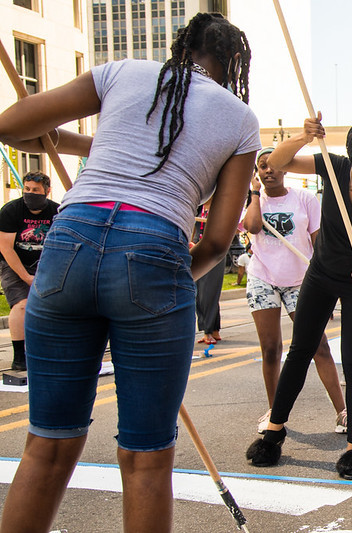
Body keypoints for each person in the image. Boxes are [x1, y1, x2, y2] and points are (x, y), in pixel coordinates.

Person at [0, 13, 259, 533]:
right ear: (234, 65)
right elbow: (216, 241)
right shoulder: (239, 118)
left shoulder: (123, 72)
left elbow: (11, 125)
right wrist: (168, 276)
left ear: (181, 48)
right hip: (156, 243)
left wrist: (71, 142)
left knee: (48, 442)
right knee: (146, 455)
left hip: (69, 237)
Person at [245, 115, 352, 480]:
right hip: (319, 276)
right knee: (300, 351)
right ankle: (274, 429)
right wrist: (304, 136)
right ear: (351, 152)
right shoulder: (333, 168)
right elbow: (275, 163)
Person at [242, 146, 347, 435]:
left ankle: (342, 411)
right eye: (261, 166)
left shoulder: (304, 198)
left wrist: (329, 286)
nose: (268, 170)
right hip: (263, 278)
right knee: (271, 349)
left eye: (273, 165)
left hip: (302, 280)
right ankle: (276, 413)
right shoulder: (255, 202)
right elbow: (251, 227)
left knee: (318, 345)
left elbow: (319, 244)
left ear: (285, 166)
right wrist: (253, 194)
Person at [0, 171, 59, 372]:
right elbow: (6, 248)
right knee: (22, 304)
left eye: (35, 190)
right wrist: (26, 277)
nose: (30, 193)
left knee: (54, 305)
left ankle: (49, 350)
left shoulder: (57, 211)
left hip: (44, 263)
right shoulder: (11, 211)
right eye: (27, 189)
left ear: (47, 191)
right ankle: (19, 357)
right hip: (13, 262)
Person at [194, 203, 225, 345]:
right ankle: (214, 330)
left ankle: (208, 332)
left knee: (209, 292)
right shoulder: (197, 208)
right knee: (198, 292)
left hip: (213, 252)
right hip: (195, 249)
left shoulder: (219, 208)